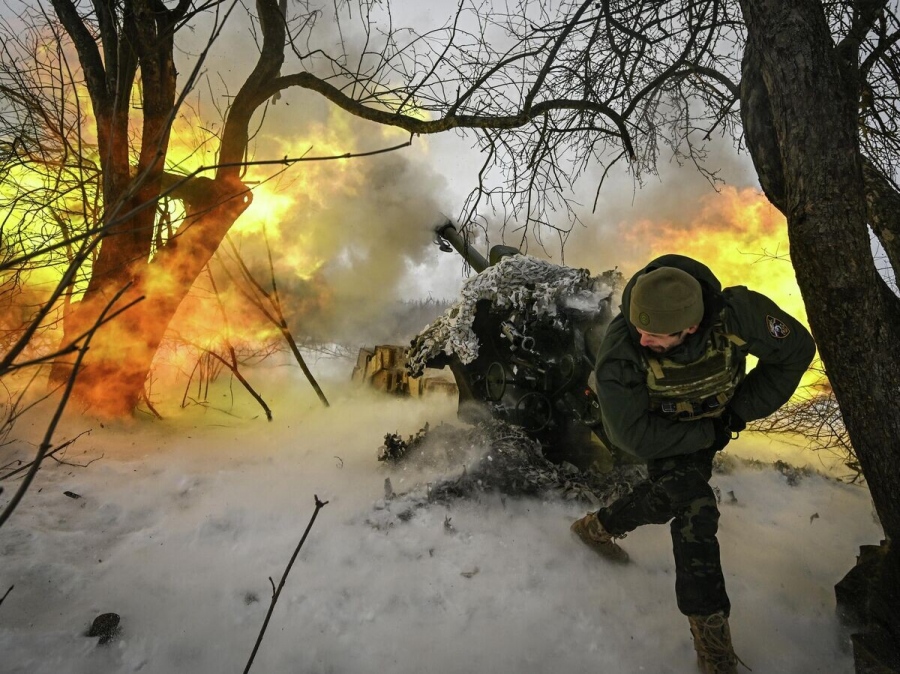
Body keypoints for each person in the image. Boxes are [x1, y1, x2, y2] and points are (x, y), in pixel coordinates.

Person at [571, 254, 816, 674]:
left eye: (655, 335)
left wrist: (736, 413)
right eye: (639, 329)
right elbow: (632, 437)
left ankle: (598, 526)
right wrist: (710, 433)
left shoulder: (738, 315)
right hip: (663, 436)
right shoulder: (622, 351)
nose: (642, 340)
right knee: (694, 504)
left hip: (716, 421)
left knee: (669, 498)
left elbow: (795, 351)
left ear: (690, 327)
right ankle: (713, 645)